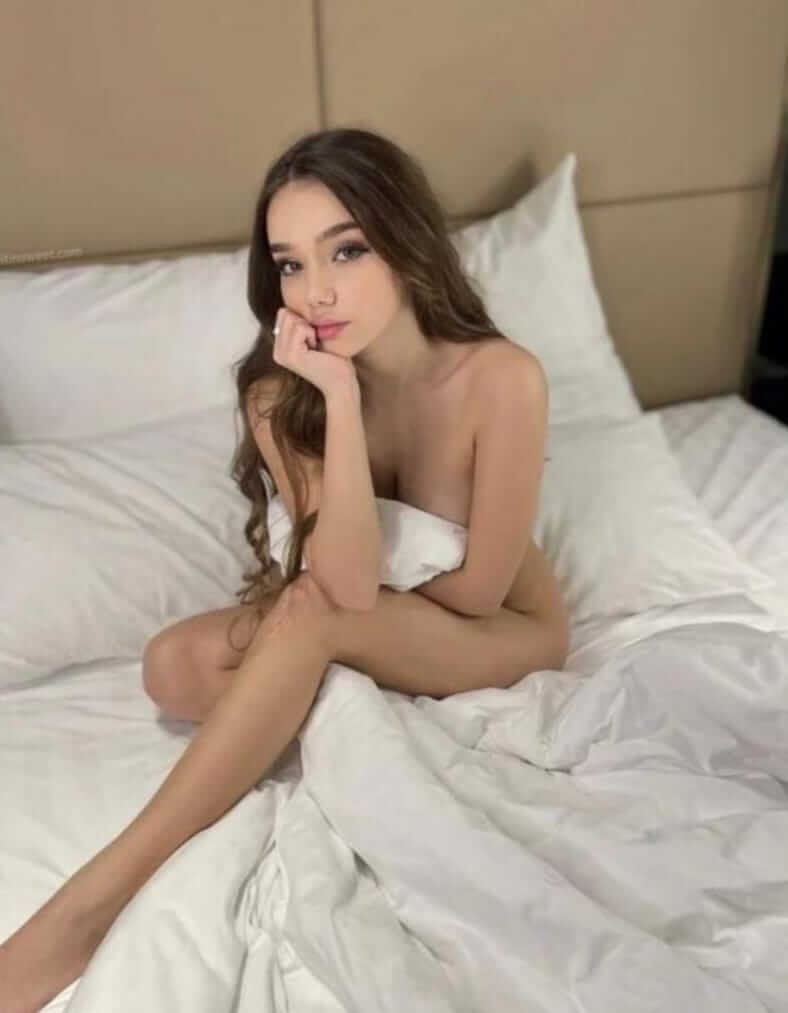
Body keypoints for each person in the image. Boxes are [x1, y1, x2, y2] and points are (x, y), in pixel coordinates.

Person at [0, 126, 569, 1012]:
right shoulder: (284, 390)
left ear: (406, 241)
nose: (317, 291)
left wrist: (334, 619)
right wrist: (337, 398)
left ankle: (87, 907)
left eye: (347, 250)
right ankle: (342, 700)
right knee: (172, 664)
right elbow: (340, 579)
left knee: (313, 614)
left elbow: (471, 590)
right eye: (291, 265)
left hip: (500, 632)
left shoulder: (502, 379)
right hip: (360, 609)